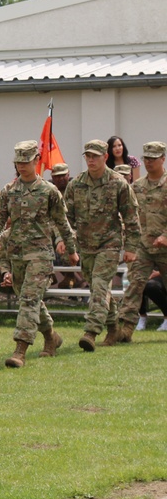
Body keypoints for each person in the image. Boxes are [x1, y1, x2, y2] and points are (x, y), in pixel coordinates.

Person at [0, 141, 78, 368]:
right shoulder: (9, 191)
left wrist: (71, 249)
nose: (21, 166)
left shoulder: (49, 191)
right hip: (17, 255)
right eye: (18, 162)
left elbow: (62, 222)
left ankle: (20, 349)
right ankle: (51, 337)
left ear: (36, 161)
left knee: (28, 300)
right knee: (31, 301)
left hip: (40, 255)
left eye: (25, 161)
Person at [64, 139, 140, 350]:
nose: (91, 160)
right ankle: (114, 327)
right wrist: (65, 240)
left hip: (110, 243)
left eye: (95, 156)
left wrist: (132, 247)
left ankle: (91, 331)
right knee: (98, 289)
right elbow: (66, 217)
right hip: (86, 245)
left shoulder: (118, 183)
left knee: (99, 285)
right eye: (87, 156)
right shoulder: (76, 184)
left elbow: (131, 217)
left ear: (105, 157)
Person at [117, 142, 167, 342]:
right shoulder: (137, 187)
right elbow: (130, 217)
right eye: (146, 158)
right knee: (135, 285)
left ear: (163, 159)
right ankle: (125, 329)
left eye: (153, 158)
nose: (149, 162)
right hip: (143, 247)